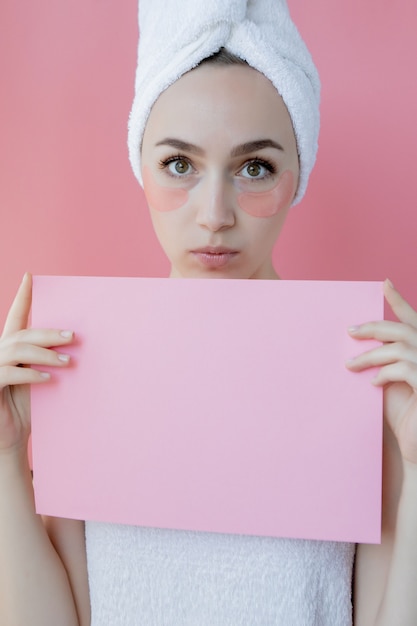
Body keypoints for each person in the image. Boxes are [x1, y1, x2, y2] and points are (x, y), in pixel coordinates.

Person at [1, 1, 417, 625]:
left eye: (255, 168)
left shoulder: (358, 373)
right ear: (140, 167)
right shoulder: (86, 361)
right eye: (179, 165)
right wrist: (5, 456)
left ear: (298, 170)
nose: (215, 213)